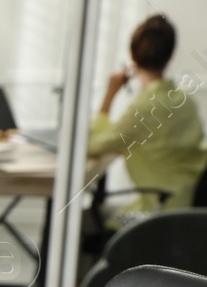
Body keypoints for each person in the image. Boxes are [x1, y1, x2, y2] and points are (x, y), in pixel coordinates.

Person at [88, 13, 207, 228]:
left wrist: (110, 93)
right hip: (190, 209)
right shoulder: (185, 101)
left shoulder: (143, 108)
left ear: (133, 56)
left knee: (88, 222)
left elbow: (91, 145)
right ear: (169, 57)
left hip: (156, 215)